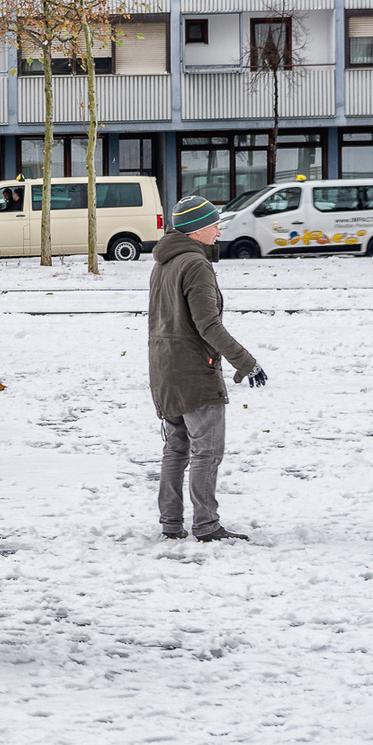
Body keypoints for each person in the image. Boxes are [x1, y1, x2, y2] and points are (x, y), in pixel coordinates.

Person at [149, 196, 267, 543]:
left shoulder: (164, 262)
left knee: (176, 448)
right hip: (193, 371)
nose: (219, 228)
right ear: (198, 230)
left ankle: (171, 523)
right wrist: (246, 361)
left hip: (164, 366)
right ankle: (207, 524)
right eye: (214, 223)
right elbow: (208, 325)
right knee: (207, 450)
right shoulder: (195, 265)